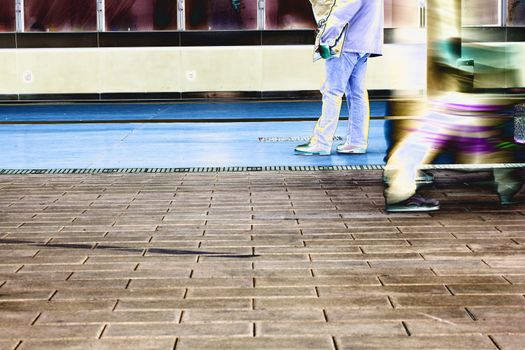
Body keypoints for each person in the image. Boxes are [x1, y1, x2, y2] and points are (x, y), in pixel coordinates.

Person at [295, 0, 383, 156]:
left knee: (332, 92)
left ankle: (322, 142)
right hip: (365, 42)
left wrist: (325, 39)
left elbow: (341, 11)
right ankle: (356, 142)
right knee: (357, 94)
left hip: (345, 43)